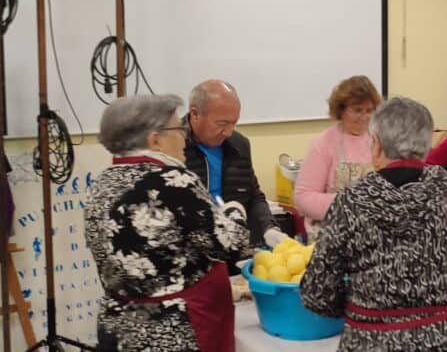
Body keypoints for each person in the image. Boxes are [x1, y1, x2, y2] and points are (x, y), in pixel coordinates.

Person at [300, 97, 447, 351]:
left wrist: (365, 304)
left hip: (374, 342)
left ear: (376, 144)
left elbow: (317, 294)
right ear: (427, 144)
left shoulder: (351, 202)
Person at [84, 95, 251, 351]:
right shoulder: (172, 180)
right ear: (155, 140)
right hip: (171, 329)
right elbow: (231, 245)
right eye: (178, 129)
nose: (184, 136)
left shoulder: (102, 183)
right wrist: (235, 212)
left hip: (118, 325)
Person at [183, 79, 286, 248]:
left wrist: (269, 227)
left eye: (234, 123)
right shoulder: (172, 146)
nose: (229, 132)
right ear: (195, 114)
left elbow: (254, 196)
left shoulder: (240, 145)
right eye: (222, 124)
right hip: (191, 251)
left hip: (233, 248)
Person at [294, 75, 382, 241]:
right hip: (330, 236)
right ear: (341, 110)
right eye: (357, 110)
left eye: (369, 111)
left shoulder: (379, 143)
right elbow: (303, 198)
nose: (364, 117)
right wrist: (352, 205)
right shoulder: (322, 144)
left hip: (371, 236)